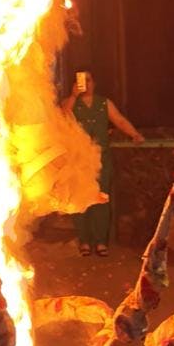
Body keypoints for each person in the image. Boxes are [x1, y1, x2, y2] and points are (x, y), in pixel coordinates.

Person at [62, 71, 143, 257]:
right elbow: (62, 118)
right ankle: (84, 241)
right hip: (78, 159)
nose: (86, 84)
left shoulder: (103, 103)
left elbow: (119, 120)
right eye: (82, 80)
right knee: (80, 199)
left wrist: (135, 134)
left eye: (89, 80)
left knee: (101, 198)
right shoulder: (72, 102)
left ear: (95, 83)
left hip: (101, 159)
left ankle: (100, 242)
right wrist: (74, 96)